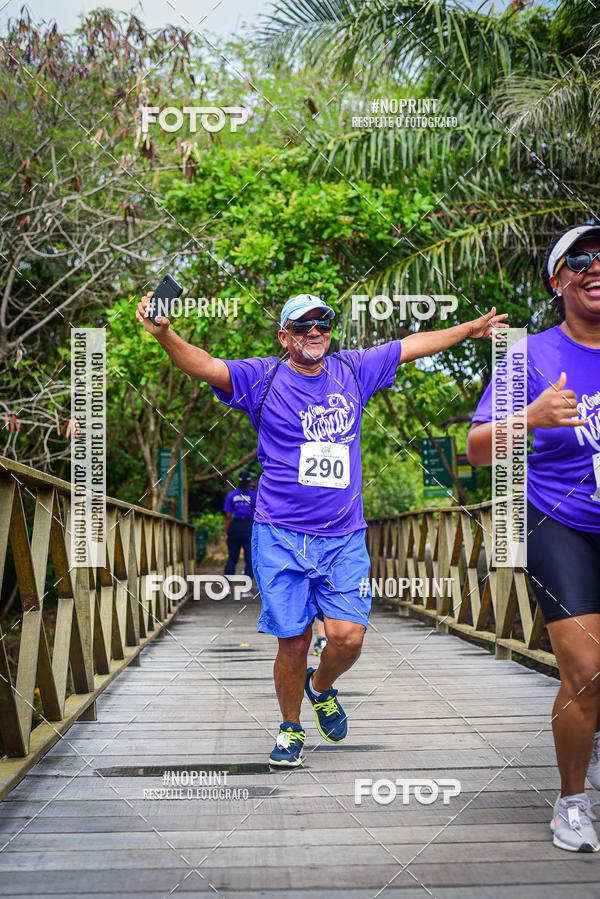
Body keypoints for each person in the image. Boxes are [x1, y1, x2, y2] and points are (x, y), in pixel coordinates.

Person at [136, 289, 506, 769]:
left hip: (343, 535)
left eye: (323, 323)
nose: (315, 332)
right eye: (304, 325)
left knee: (348, 637)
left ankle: (321, 686)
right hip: (280, 533)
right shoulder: (260, 377)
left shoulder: (353, 369)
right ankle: (290, 729)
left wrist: (468, 330)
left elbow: (414, 344)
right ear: (284, 335)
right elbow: (204, 364)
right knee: (292, 640)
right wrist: (165, 334)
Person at [467, 224, 600, 853]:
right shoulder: (529, 357)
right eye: (581, 260)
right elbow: (475, 450)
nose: (595, 267)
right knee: (587, 670)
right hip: (558, 525)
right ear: (558, 280)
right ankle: (572, 803)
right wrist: (532, 417)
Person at [224, 469, 256, 593]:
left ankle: (226, 587)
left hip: (235, 527)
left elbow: (228, 516)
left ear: (237, 481)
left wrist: (227, 533)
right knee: (249, 559)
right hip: (248, 527)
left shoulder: (231, 495)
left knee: (232, 558)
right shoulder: (254, 496)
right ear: (249, 482)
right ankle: (245, 589)